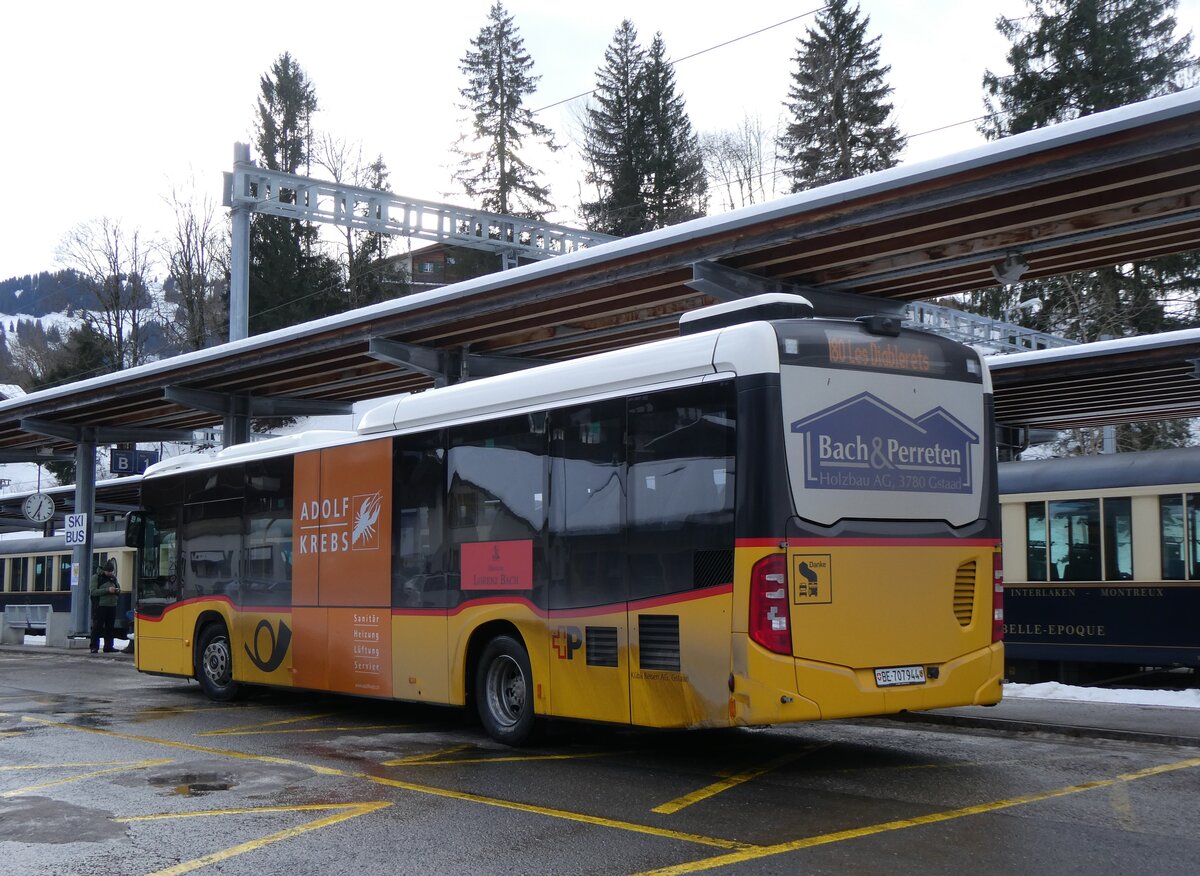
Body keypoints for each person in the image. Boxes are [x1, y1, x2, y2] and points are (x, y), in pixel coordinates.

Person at [90, 559, 120, 653]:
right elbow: (93, 592)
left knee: (110, 627)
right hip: (100, 606)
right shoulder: (96, 577)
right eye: (108, 571)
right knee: (97, 627)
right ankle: (94, 646)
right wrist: (107, 590)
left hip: (112, 605)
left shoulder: (113, 578)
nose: (110, 573)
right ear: (104, 570)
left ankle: (108, 646)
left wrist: (117, 590)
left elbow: (118, 587)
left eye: (111, 571)